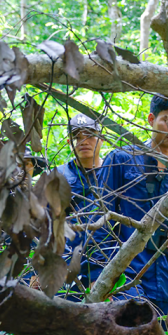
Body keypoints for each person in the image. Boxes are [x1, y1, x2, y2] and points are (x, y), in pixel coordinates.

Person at [103, 96, 168, 316]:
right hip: (123, 277)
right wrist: (98, 277)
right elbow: (100, 220)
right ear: (150, 119)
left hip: (163, 281)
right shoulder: (121, 159)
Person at [54, 113, 116, 301]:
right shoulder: (59, 175)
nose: (84, 141)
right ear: (68, 142)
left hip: (109, 265)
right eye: (77, 137)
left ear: (101, 139)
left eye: (89, 135)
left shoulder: (114, 172)